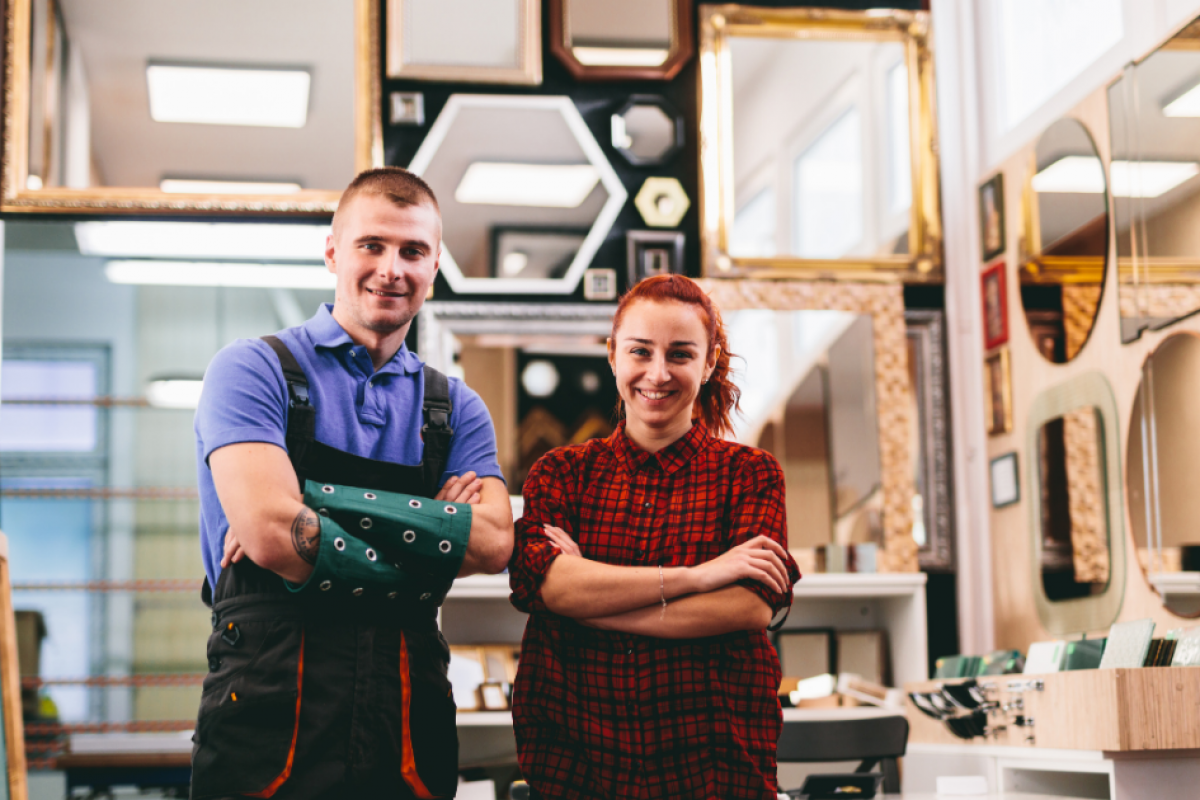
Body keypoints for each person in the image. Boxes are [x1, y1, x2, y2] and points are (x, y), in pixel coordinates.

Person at [191, 167, 514, 799]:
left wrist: (314, 505)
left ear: (435, 263)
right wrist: (431, 533)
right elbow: (267, 534)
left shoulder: (455, 407)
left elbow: (495, 543)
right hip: (269, 697)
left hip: (407, 704)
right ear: (334, 250)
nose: (392, 268)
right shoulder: (253, 370)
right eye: (373, 245)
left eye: (413, 251)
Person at [509, 275, 802, 800]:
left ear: (709, 363)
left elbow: (749, 606)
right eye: (640, 351)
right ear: (612, 355)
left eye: (681, 354)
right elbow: (548, 585)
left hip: (715, 763)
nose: (658, 373)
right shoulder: (560, 473)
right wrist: (700, 576)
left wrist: (588, 601)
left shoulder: (752, 474)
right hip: (576, 760)